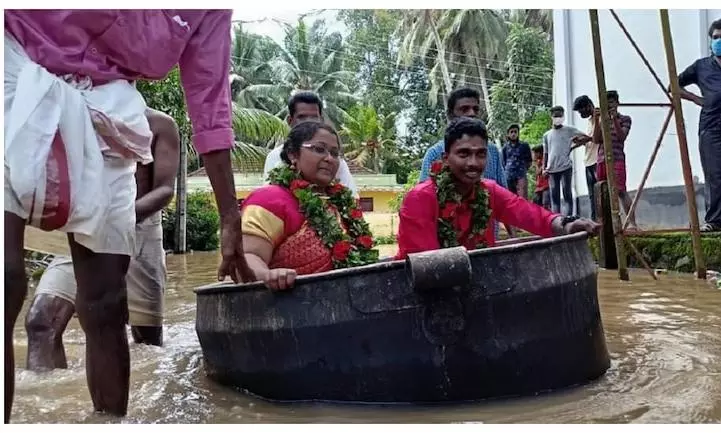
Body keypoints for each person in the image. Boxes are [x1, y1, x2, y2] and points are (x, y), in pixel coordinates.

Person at [4, 10, 253, 421]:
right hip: (14, 74)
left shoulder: (159, 122)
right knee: (9, 282)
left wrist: (230, 217)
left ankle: (110, 421)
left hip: (110, 126)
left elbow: (208, 107)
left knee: (107, 303)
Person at [24, 108, 179, 372]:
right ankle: (49, 408)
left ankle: (130, 406)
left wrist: (117, 218)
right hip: (83, 229)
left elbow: (164, 190)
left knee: (147, 343)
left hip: (139, 233)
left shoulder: (160, 124)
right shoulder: (73, 114)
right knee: (41, 322)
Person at [395, 118, 600, 260]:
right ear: (446, 159)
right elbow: (427, 266)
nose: (473, 163)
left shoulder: (488, 191)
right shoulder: (420, 199)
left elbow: (529, 213)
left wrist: (565, 225)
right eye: (464, 154)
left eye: (481, 154)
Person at [242, 120, 378, 291]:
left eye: (335, 154)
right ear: (293, 154)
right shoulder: (269, 200)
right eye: (319, 149)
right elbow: (247, 256)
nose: (329, 159)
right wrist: (268, 275)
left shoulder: (342, 204)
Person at [418, 87, 514, 238]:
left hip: (486, 244)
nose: (472, 113)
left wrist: (513, 239)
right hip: (448, 247)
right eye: (464, 109)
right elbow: (423, 204)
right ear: (450, 115)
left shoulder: (493, 152)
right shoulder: (434, 154)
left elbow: (504, 200)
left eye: (476, 109)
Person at [262, 91, 359, 198]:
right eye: (302, 117)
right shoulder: (275, 157)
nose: (309, 122)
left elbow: (351, 199)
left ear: (321, 120)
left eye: (314, 117)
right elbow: (270, 196)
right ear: (290, 121)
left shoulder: (335, 161)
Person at [676, 19, 721, 232]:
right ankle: (715, 221)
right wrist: (695, 98)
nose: (719, 41)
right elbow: (673, 85)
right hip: (710, 129)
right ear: (711, 40)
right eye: (716, 38)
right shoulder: (701, 67)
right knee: (715, 174)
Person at [591, 90, 637, 229]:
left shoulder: (625, 119)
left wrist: (614, 118)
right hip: (601, 159)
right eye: (607, 103)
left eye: (612, 103)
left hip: (617, 158)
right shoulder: (601, 120)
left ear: (617, 103)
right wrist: (597, 121)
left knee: (621, 191)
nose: (610, 105)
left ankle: (632, 223)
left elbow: (621, 136)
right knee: (603, 191)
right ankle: (607, 225)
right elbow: (596, 139)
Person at [542, 106, 589, 216]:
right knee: (554, 196)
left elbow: (587, 138)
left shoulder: (569, 130)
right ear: (551, 117)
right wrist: (544, 168)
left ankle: (568, 218)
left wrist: (573, 145)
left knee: (567, 193)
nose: (558, 118)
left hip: (566, 167)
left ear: (563, 117)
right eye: (555, 116)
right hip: (552, 169)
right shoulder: (547, 135)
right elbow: (546, 152)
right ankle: (556, 220)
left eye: (560, 116)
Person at [572, 95, 600, 220]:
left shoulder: (599, 118)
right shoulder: (590, 121)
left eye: (580, 111)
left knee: (599, 193)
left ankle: (601, 220)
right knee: (592, 195)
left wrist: (586, 138)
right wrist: (580, 141)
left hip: (597, 161)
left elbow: (597, 138)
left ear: (588, 106)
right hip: (588, 161)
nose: (579, 114)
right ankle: (594, 220)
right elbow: (591, 139)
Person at [501, 124, 532, 198]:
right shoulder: (505, 147)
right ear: (508, 134)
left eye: (515, 132)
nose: (513, 134)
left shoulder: (524, 145)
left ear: (518, 133)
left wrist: (524, 169)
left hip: (521, 175)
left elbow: (529, 161)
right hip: (509, 176)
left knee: (522, 198)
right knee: (510, 197)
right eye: (511, 132)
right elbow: (503, 162)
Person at [532, 146, 551, 210]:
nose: (533, 155)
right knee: (536, 203)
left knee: (545, 204)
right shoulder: (538, 161)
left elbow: (540, 171)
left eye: (534, 153)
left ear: (539, 153)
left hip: (546, 186)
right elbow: (537, 173)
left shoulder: (545, 161)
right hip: (539, 187)